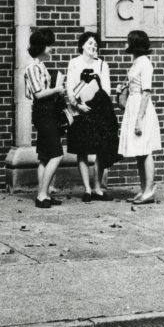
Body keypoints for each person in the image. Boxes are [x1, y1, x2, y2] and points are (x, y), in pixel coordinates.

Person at [65, 31, 119, 202]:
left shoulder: (102, 65)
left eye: (95, 44)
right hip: (81, 112)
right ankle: (87, 189)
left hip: (98, 112)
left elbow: (107, 90)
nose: (93, 47)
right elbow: (70, 87)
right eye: (89, 43)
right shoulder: (74, 63)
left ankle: (97, 187)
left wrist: (95, 103)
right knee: (82, 149)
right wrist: (78, 105)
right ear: (82, 45)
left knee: (101, 149)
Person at [24, 29, 66, 209]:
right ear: (41, 47)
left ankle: (44, 193)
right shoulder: (33, 67)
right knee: (56, 154)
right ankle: (42, 194)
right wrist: (57, 89)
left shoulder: (40, 66)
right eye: (49, 45)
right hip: (43, 112)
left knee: (44, 156)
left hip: (47, 111)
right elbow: (39, 94)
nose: (51, 49)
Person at [117, 30, 161, 204]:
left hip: (141, 109)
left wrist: (139, 118)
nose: (124, 44)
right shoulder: (136, 62)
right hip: (133, 106)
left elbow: (146, 92)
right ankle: (143, 189)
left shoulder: (145, 63)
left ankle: (149, 190)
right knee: (138, 152)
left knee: (145, 150)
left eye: (127, 41)